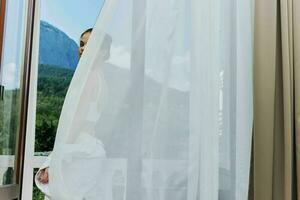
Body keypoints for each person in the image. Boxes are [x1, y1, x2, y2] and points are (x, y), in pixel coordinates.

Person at [35, 28, 112, 197]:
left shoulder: (89, 77)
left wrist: (55, 159)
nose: (82, 49)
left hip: (79, 146)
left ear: (103, 52)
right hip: (93, 148)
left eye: (90, 45)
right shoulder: (102, 80)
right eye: (81, 44)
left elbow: (77, 120)